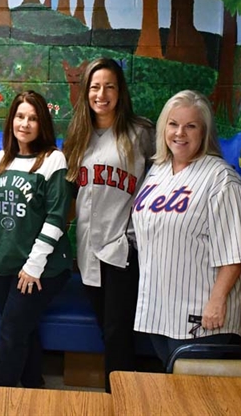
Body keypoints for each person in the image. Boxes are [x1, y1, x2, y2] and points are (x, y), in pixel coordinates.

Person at [132, 90, 241, 367]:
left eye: (191, 126)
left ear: (205, 132)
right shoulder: (159, 169)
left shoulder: (222, 179)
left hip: (202, 313)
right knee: (174, 384)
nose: (180, 133)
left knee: (195, 395)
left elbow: (235, 251)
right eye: (173, 124)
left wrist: (217, 301)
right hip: (161, 307)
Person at [62, 57, 155, 391]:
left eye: (110, 86)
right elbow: (71, 195)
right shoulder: (78, 136)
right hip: (88, 247)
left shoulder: (141, 133)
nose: (102, 94)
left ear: (120, 91)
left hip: (123, 247)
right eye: (95, 87)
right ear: (87, 91)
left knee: (117, 331)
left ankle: (119, 398)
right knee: (108, 328)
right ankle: (124, 390)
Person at [0, 90, 73, 388]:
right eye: (20, 116)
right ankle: (34, 385)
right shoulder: (1, 158)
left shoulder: (53, 159)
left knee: (11, 331)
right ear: (11, 121)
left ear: (42, 123)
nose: (25, 123)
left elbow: (57, 217)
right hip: (0, 264)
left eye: (33, 118)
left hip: (39, 269)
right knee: (23, 328)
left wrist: (34, 266)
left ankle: (1, 398)